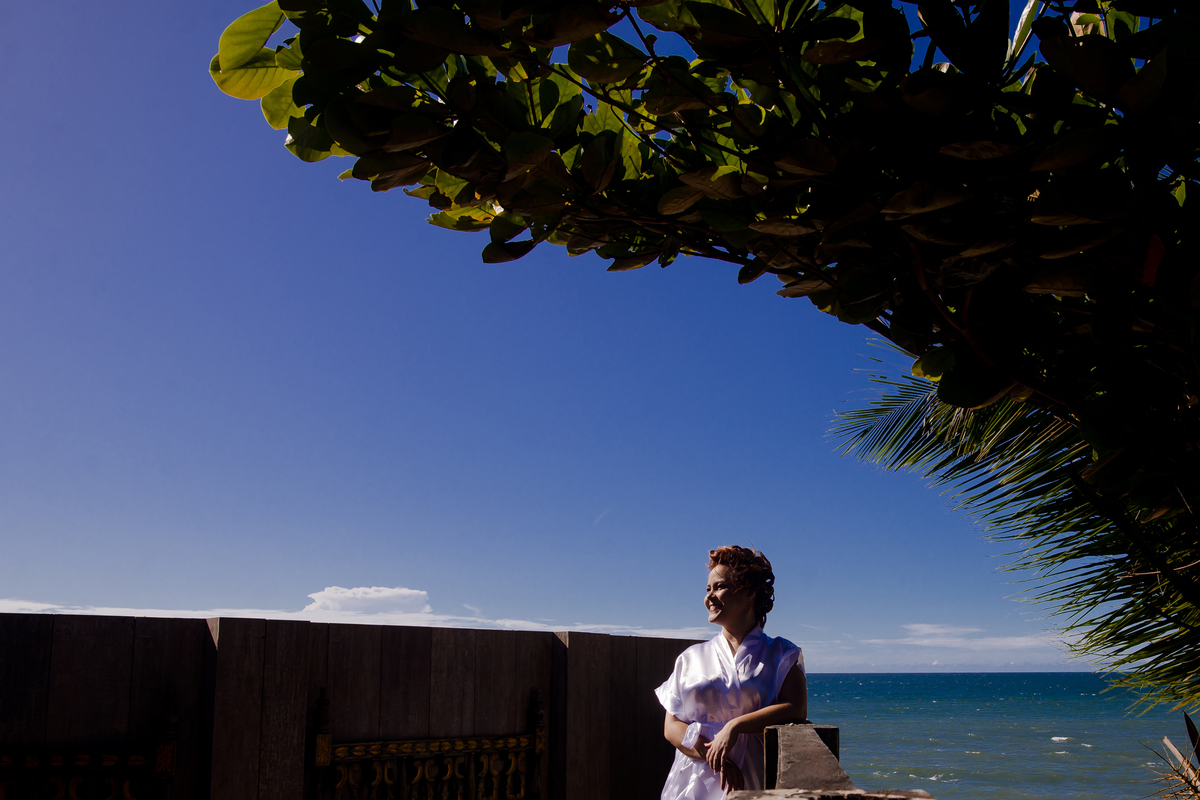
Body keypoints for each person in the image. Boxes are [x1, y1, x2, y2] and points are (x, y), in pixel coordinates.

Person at [655, 546, 808, 799]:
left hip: (752, 775)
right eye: (708, 589)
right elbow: (671, 726)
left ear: (749, 592)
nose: (709, 596)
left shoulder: (782, 653)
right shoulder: (690, 658)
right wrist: (714, 758)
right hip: (695, 778)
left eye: (719, 587)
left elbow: (796, 708)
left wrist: (735, 726)